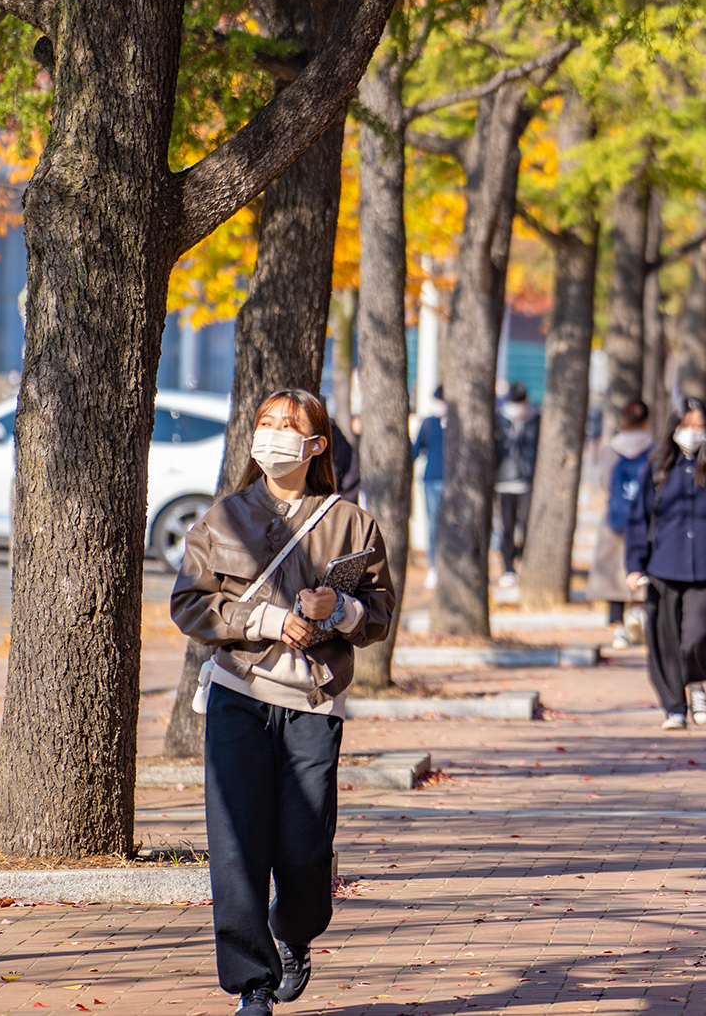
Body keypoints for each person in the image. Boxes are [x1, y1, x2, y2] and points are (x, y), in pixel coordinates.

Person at [170, 388, 394, 1016]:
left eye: (288, 426)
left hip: (313, 704)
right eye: (264, 424)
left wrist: (340, 609)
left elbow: (378, 614)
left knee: (303, 847)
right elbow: (190, 604)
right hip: (238, 693)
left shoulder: (352, 522)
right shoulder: (223, 516)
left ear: (316, 444)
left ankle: (295, 931)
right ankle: (253, 984)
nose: (272, 436)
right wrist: (267, 621)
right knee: (237, 841)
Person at [626, 396, 706, 730]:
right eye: (687, 426)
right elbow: (639, 518)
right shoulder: (656, 468)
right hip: (662, 566)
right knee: (663, 639)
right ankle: (674, 706)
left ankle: (695, 681)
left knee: (695, 634)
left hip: (705, 569)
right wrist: (634, 565)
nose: (693, 433)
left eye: (700, 427)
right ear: (674, 428)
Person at [589, 400, 654, 651]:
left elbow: (605, 481)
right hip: (645, 521)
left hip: (615, 520)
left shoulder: (611, 450)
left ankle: (618, 629)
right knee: (640, 569)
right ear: (646, 420)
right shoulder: (654, 449)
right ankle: (638, 614)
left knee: (615, 576)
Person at [494, 382, 540, 572]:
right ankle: (508, 567)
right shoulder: (499, 419)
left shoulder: (535, 419)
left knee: (528, 524)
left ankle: (521, 557)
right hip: (504, 481)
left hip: (526, 480)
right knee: (507, 527)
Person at [410, 387, 446, 559]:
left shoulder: (457, 424)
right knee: (433, 525)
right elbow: (416, 450)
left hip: (453, 482)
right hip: (431, 480)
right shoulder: (428, 423)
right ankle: (434, 564)